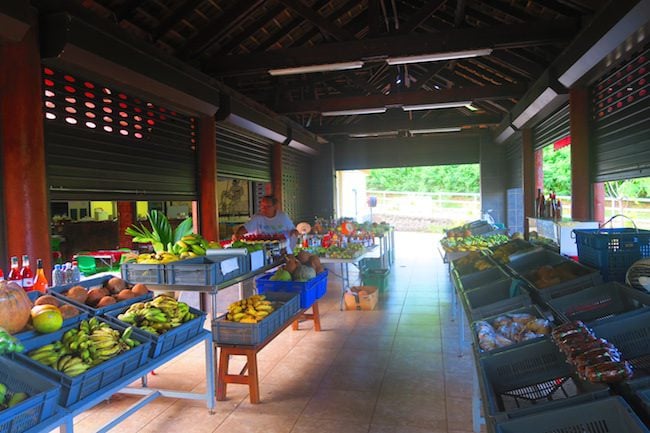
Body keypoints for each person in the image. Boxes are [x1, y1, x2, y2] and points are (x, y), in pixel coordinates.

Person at [233, 195, 299, 250]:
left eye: (267, 206)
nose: (264, 209)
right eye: (262, 206)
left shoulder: (282, 217)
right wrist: (238, 235)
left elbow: (294, 231)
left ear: (275, 207)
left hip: (282, 249)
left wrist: (293, 237)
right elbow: (244, 229)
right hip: (262, 249)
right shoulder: (257, 217)